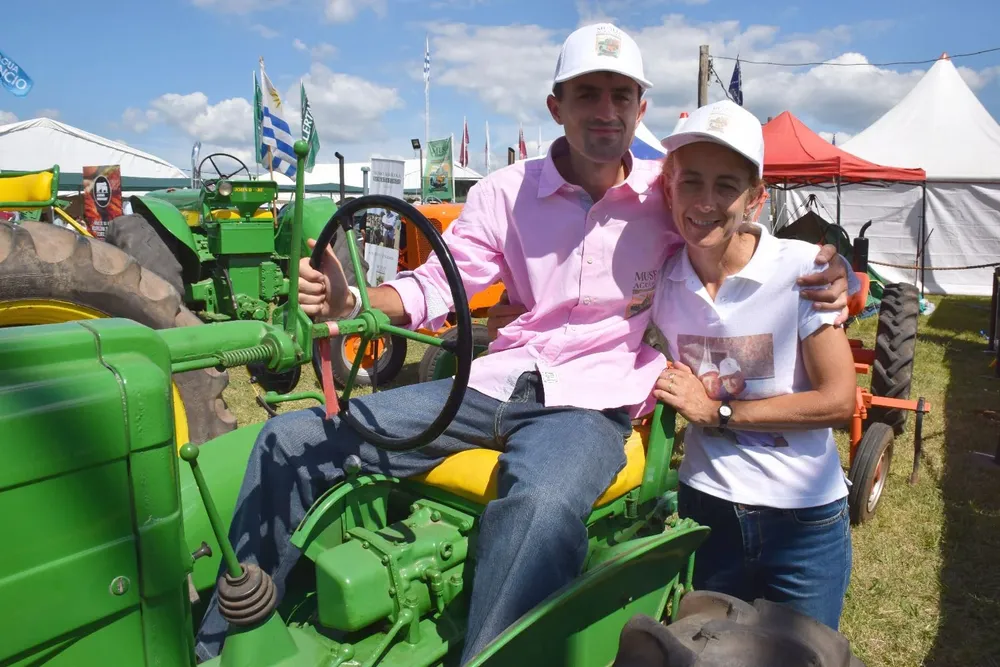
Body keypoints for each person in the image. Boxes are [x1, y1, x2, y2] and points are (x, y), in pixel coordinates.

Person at [194, 23, 852, 663]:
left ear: (640, 109)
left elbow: (735, 230)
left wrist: (834, 271)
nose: (605, 111)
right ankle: (220, 645)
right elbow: (440, 283)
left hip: (588, 405)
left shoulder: (666, 193)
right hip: (492, 386)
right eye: (587, 94)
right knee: (292, 437)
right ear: (556, 106)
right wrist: (357, 304)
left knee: (540, 509)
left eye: (620, 95)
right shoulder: (504, 194)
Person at [646, 99, 857, 630]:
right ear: (669, 188)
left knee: (803, 655)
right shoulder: (660, 280)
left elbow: (840, 401)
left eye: (726, 186)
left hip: (803, 518)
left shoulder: (803, 271)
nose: (705, 202)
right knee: (710, 654)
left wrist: (717, 412)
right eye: (691, 182)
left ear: (756, 200)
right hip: (707, 509)